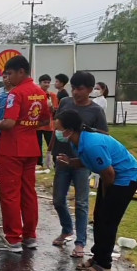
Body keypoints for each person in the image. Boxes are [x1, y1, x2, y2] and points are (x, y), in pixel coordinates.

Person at [54, 110, 137, 271]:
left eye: (58, 128)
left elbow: (109, 174)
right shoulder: (77, 141)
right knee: (99, 217)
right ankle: (98, 257)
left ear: (69, 130)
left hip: (126, 177)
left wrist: (107, 196)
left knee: (108, 220)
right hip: (112, 175)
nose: (56, 131)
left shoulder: (91, 144)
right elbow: (87, 161)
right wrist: (71, 162)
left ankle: (104, 265)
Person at [0, 55, 51, 252]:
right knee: (29, 193)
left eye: (10, 73)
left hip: (11, 148)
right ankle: (29, 236)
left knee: (9, 193)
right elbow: (44, 121)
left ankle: (13, 238)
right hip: (31, 147)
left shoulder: (15, 94)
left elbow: (8, 123)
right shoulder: (40, 93)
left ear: (21, 71)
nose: (8, 78)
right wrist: (28, 125)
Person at [49, 71, 109, 258]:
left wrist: (84, 129)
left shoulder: (96, 111)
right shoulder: (65, 103)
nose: (76, 92)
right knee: (58, 199)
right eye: (73, 88)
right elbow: (57, 126)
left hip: (83, 162)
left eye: (80, 89)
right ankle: (67, 229)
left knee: (81, 202)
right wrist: (50, 149)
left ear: (90, 90)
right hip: (62, 158)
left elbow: (104, 135)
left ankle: (80, 242)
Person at [36, 74, 58, 167]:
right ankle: (38, 163)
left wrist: (51, 106)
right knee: (37, 145)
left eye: (48, 82)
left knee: (51, 144)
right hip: (37, 124)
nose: (47, 84)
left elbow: (55, 110)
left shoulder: (52, 95)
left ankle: (54, 162)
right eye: (45, 82)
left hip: (48, 125)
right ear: (40, 83)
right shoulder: (35, 94)